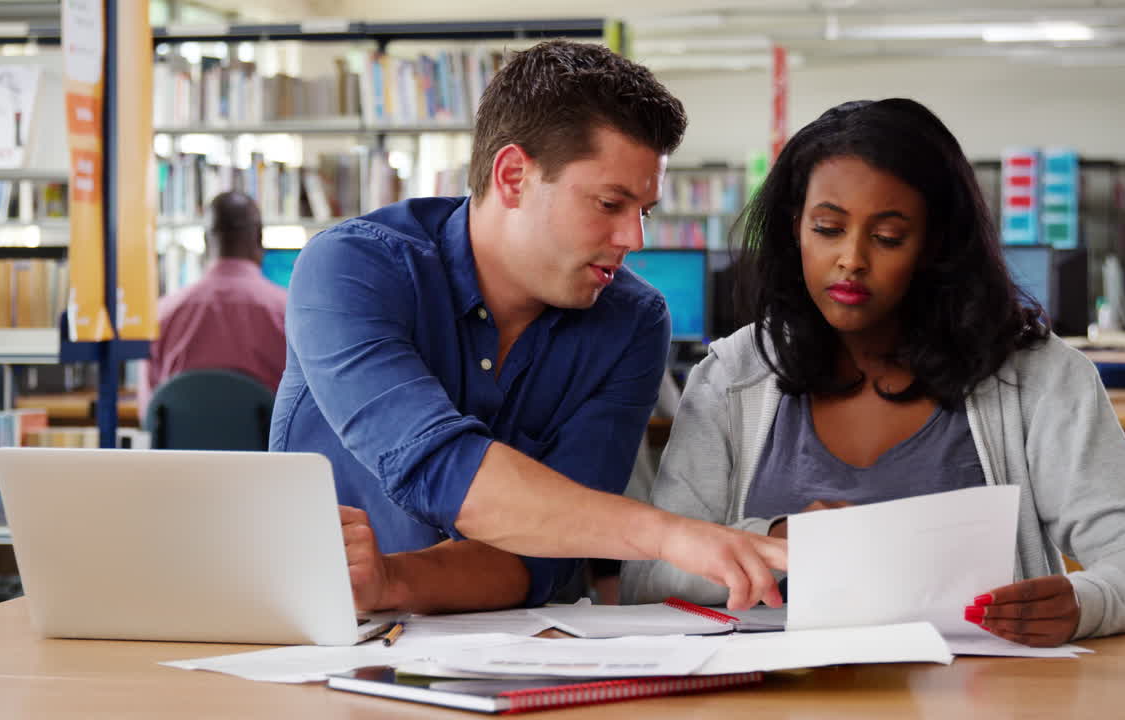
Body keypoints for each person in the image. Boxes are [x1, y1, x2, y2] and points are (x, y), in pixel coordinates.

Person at [620, 98, 1125, 647]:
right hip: (772, 693)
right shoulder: (731, 377)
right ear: (795, 228)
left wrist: (1084, 602)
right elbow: (647, 579)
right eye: (827, 229)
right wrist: (773, 541)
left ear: (935, 245)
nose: (851, 259)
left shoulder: (1039, 378)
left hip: (981, 694)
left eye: (888, 237)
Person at [270, 41, 786, 615]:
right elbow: (438, 467)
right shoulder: (351, 269)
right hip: (318, 630)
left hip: (522, 645)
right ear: (513, 175)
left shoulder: (633, 323)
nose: (634, 239)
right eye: (610, 204)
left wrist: (392, 580)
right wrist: (667, 535)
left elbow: (540, 561)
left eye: (644, 211)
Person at [139, 190, 288, 418]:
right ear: (259, 238)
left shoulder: (162, 314)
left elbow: (148, 412)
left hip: (184, 441)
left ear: (206, 240)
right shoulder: (288, 312)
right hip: (265, 440)